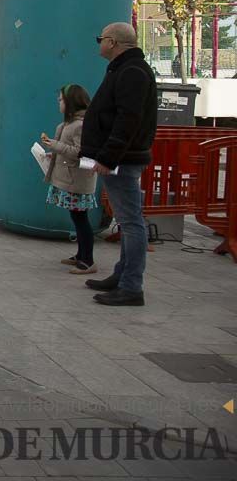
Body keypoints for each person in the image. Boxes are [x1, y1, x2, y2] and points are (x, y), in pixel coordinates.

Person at [81, 22, 157, 306]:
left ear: (112, 42)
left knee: (130, 222)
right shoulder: (124, 69)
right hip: (119, 159)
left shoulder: (132, 72)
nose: (99, 43)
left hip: (122, 160)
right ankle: (121, 275)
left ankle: (131, 285)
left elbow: (128, 119)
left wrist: (108, 156)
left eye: (101, 39)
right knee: (128, 220)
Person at [40, 84, 99, 275]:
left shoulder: (80, 125)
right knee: (77, 217)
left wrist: (55, 145)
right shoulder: (68, 124)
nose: (58, 103)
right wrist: (52, 153)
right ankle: (81, 254)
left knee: (81, 218)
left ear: (70, 102)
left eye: (61, 100)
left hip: (78, 180)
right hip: (70, 178)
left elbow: (80, 152)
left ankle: (88, 260)